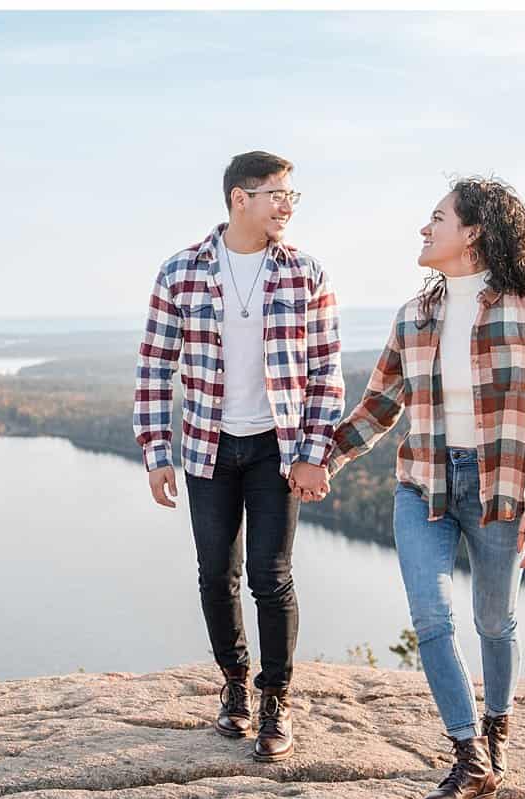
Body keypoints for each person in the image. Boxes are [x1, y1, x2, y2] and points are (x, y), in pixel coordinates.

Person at [323, 176, 525, 799]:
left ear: (472, 233)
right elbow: (380, 405)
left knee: (495, 621)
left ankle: (497, 732)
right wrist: (318, 457)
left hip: (498, 491)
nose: (423, 228)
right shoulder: (415, 315)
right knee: (432, 617)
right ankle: (468, 754)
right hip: (424, 483)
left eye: (436, 217)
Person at [134, 150, 343, 761]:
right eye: (278, 194)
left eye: (291, 196)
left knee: (270, 578)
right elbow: (154, 365)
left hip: (278, 452)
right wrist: (156, 449)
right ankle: (234, 688)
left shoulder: (307, 273)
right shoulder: (181, 272)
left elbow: (327, 372)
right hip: (207, 447)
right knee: (214, 575)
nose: (287, 206)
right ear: (239, 199)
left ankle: (275, 698)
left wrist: (315, 454)